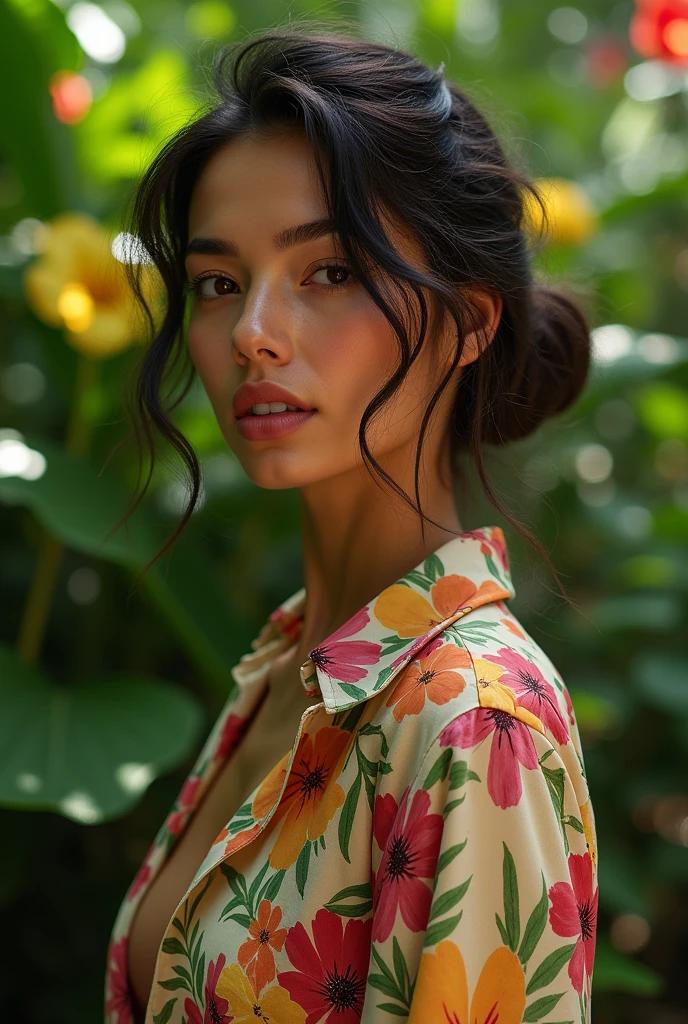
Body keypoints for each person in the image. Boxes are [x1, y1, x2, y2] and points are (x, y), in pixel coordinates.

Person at [104, 22, 598, 1024]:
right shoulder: (296, 667)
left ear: (466, 319)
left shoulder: (469, 721)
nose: (252, 333)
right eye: (218, 282)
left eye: (327, 271)